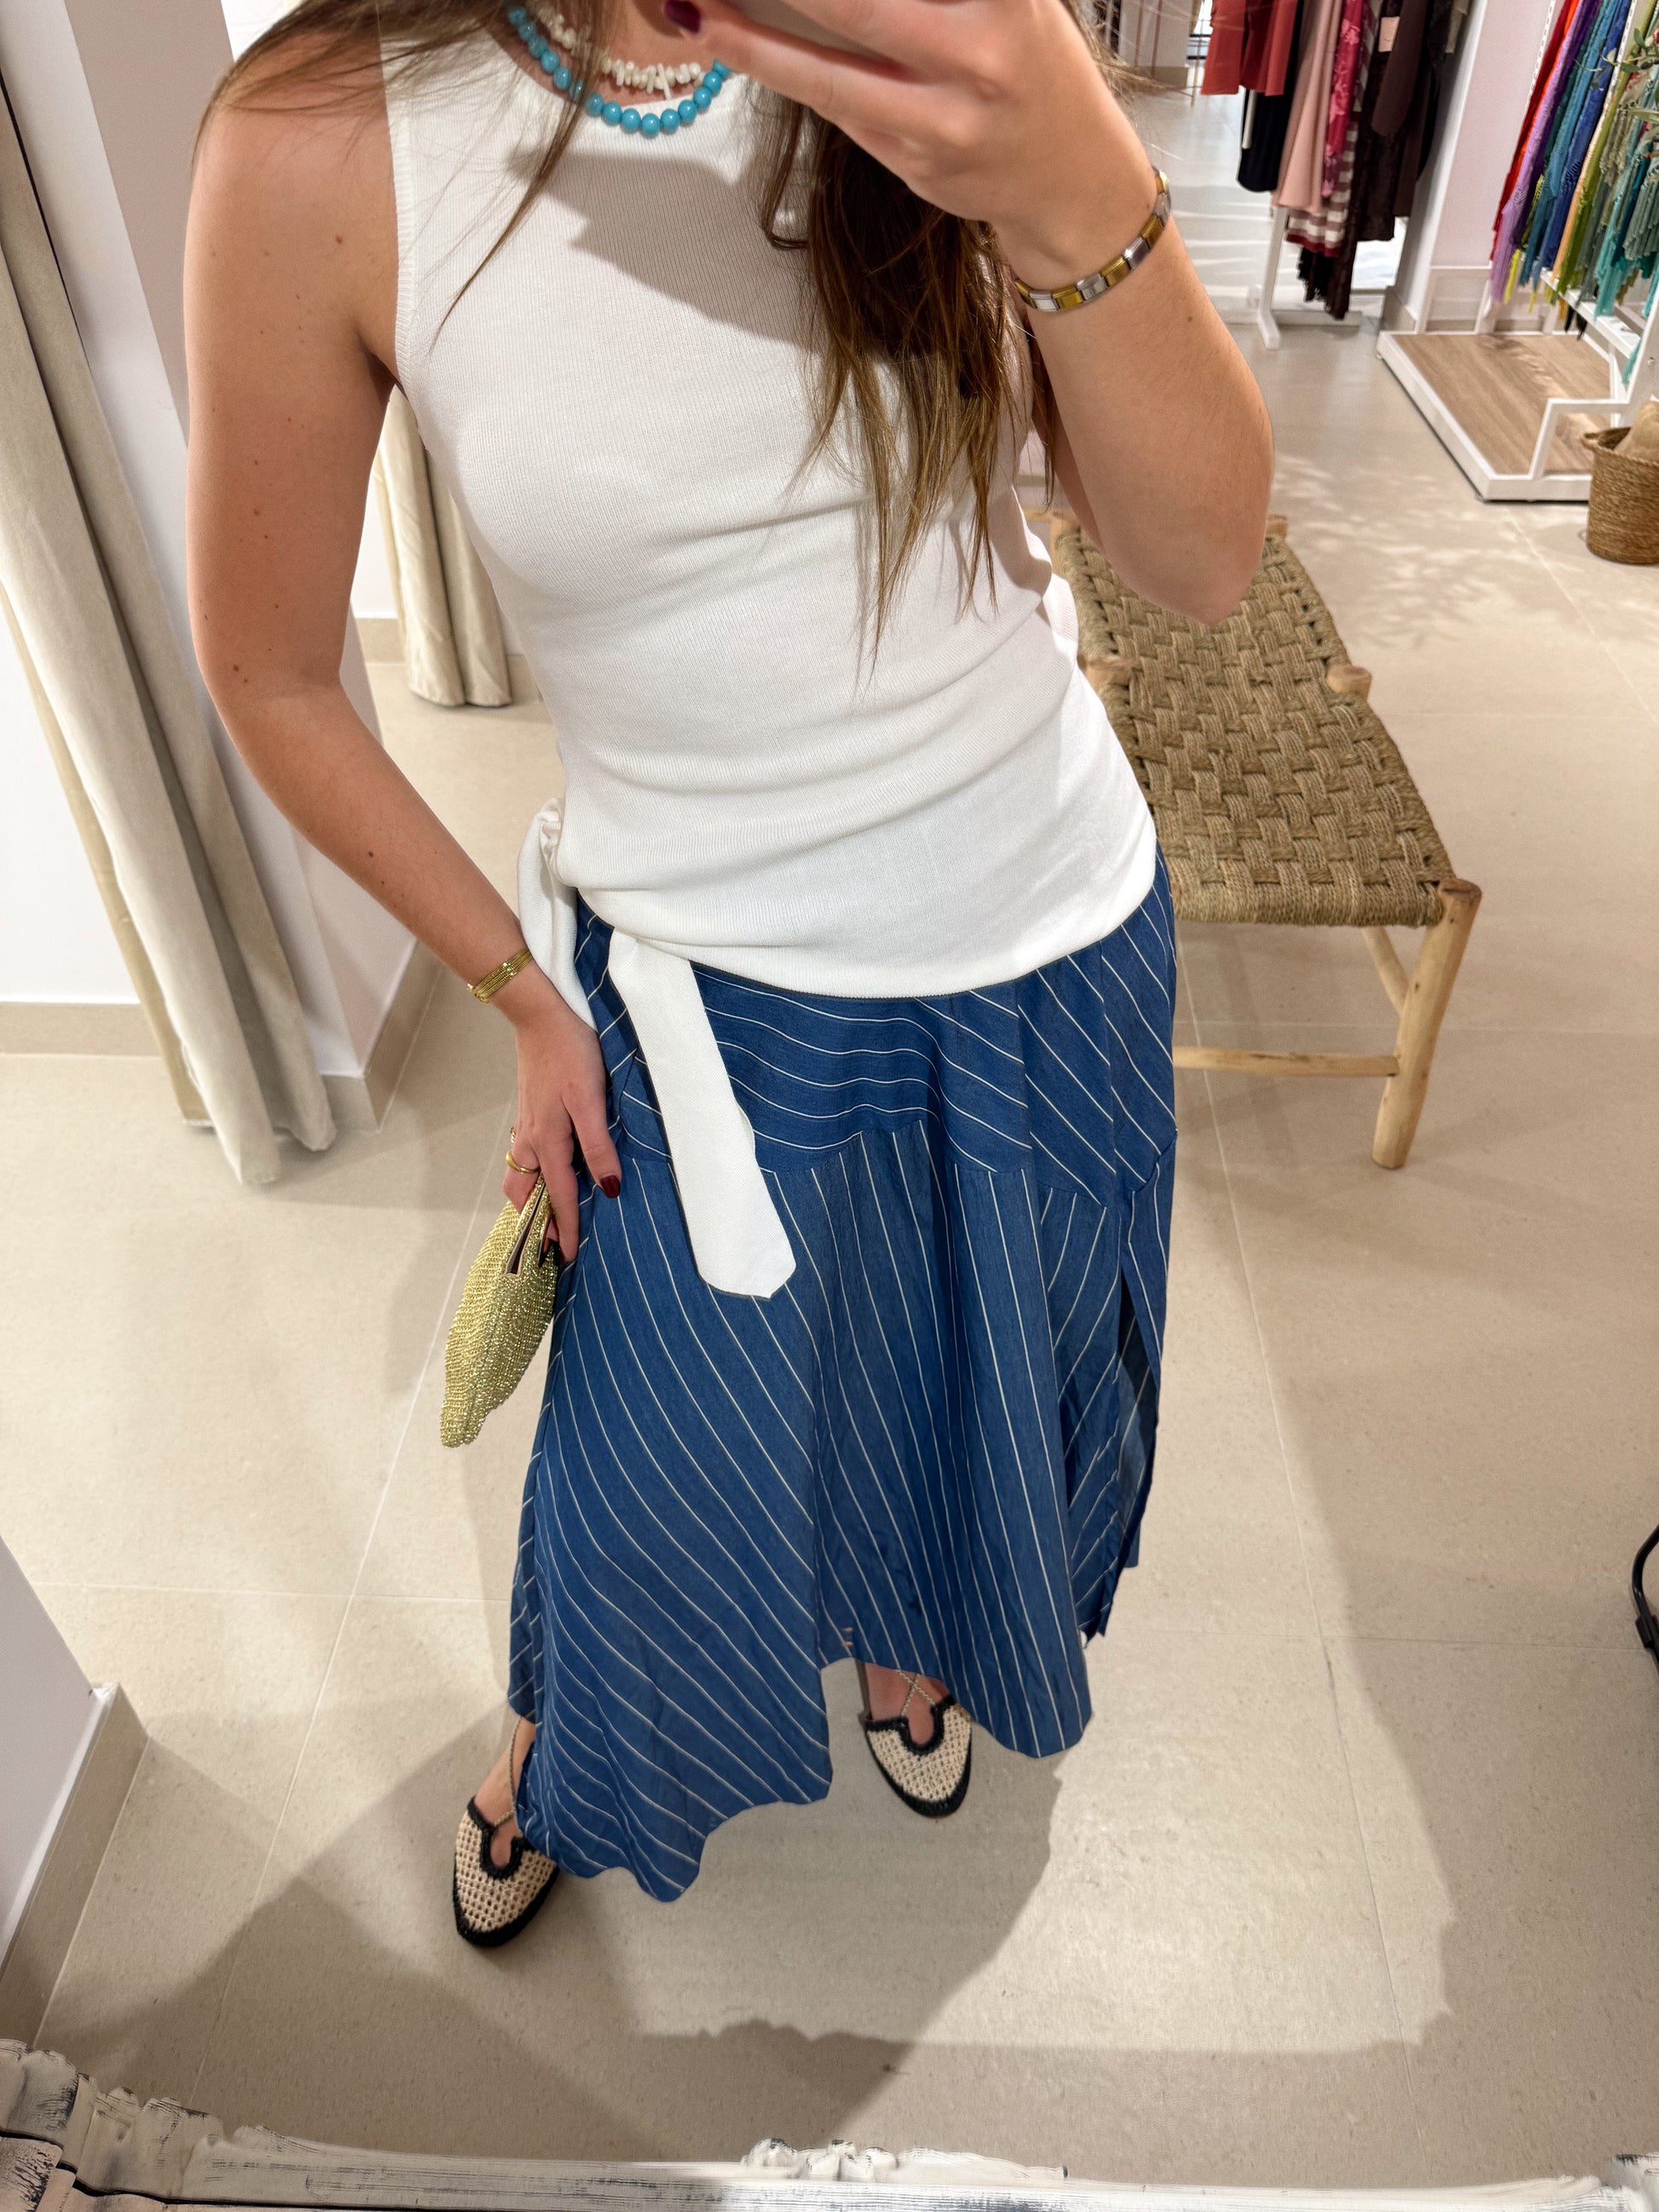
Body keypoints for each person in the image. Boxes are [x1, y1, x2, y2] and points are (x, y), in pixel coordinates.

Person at [186, 0, 1273, 1945]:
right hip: (706, 1008)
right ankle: (560, 1745)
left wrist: (1074, 179)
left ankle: (915, 1646)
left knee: (969, 1398)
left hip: (1050, 948)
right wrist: (524, 996)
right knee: (646, 1490)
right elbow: (270, 671)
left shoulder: (945, 31)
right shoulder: (326, 141)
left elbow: (1199, 561)